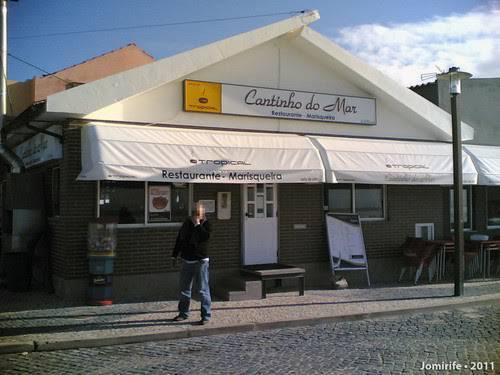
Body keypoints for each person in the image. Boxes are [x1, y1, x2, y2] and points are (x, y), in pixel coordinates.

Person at [171, 203, 212, 324]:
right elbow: (180, 239)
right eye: (194, 213)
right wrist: (174, 255)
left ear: (203, 214)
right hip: (187, 260)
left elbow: (205, 237)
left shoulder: (207, 224)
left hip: (201, 261)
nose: (196, 215)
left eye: (198, 213)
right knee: (184, 289)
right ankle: (183, 313)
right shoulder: (186, 224)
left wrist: (198, 224)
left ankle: (206, 315)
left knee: (202, 289)